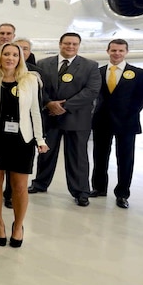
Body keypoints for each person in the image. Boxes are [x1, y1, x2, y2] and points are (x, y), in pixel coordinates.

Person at [0, 43, 48, 248]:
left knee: (20, 186)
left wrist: (40, 139)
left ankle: (18, 225)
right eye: (6, 54)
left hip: (22, 139)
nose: (10, 58)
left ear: (21, 58)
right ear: (0, 57)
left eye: (14, 55)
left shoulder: (31, 80)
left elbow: (36, 112)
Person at [29, 32, 100, 206]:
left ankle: (81, 191)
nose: (70, 47)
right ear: (60, 44)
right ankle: (40, 183)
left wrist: (64, 106)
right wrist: (48, 103)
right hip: (50, 116)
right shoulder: (44, 64)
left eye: (74, 44)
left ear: (79, 46)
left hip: (76, 118)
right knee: (46, 153)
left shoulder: (90, 66)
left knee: (78, 156)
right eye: (67, 43)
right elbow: (38, 88)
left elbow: (91, 91)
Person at [90, 39, 143, 208]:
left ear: (126, 52)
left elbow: (141, 98)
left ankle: (122, 194)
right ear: (108, 51)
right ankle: (99, 187)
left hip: (127, 122)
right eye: (114, 50)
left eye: (121, 51)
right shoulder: (98, 72)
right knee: (99, 156)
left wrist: (128, 114)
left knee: (125, 159)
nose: (117, 53)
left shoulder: (139, 73)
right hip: (102, 121)